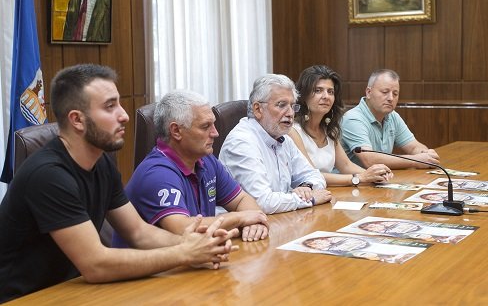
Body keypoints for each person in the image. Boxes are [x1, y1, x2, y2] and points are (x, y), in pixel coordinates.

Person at [0, 64, 238, 303]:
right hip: (25, 298)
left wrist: (197, 245)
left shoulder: (101, 162)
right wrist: (184, 253)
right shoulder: (48, 175)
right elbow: (96, 264)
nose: (124, 115)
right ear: (77, 120)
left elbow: (139, 233)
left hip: (74, 291)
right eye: (110, 106)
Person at [112, 91, 269, 247]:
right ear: (176, 131)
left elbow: (242, 199)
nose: (215, 133)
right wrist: (241, 218)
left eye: (213, 124)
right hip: (149, 269)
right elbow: (183, 228)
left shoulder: (205, 160)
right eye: (205, 126)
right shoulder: (158, 173)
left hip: (191, 260)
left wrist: (253, 224)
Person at [219, 74, 333, 214]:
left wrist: (307, 188)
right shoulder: (241, 142)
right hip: (243, 229)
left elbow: (315, 176)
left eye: (292, 106)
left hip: (281, 219)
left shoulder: (282, 138)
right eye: (281, 105)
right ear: (257, 109)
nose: (290, 113)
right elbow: (261, 202)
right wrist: (308, 199)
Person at [289, 65, 393, 186]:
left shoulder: (329, 130)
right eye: (318, 90)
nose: (326, 96)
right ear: (304, 96)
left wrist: (375, 175)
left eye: (330, 92)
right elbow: (312, 175)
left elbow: (346, 166)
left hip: (327, 194)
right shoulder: (293, 131)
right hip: (304, 197)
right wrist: (359, 178)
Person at [341, 69, 440, 169]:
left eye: (395, 94)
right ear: (369, 92)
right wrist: (415, 160)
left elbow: (413, 147)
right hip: (349, 182)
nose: (391, 98)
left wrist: (426, 154)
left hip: (377, 180)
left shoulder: (392, 116)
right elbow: (369, 160)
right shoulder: (353, 119)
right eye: (385, 92)